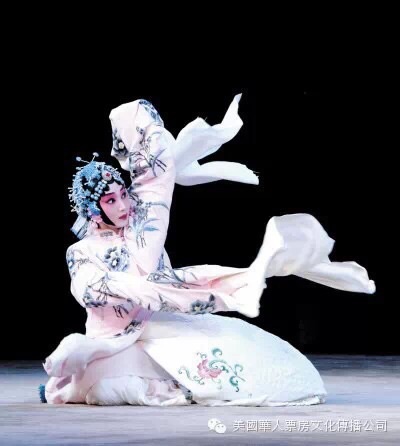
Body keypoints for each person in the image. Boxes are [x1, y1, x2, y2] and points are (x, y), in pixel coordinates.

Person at [40, 96, 375, 407]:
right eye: (111, 200)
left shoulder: (140, 226)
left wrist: (130, 121)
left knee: (244, 354)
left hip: (162, 320)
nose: (124, 205)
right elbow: (87, 286)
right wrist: (138, 289)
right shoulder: (81, 251)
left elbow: (153, 175)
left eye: (123, 194)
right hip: (117, 337)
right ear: (94, 210)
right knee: (99, 386)